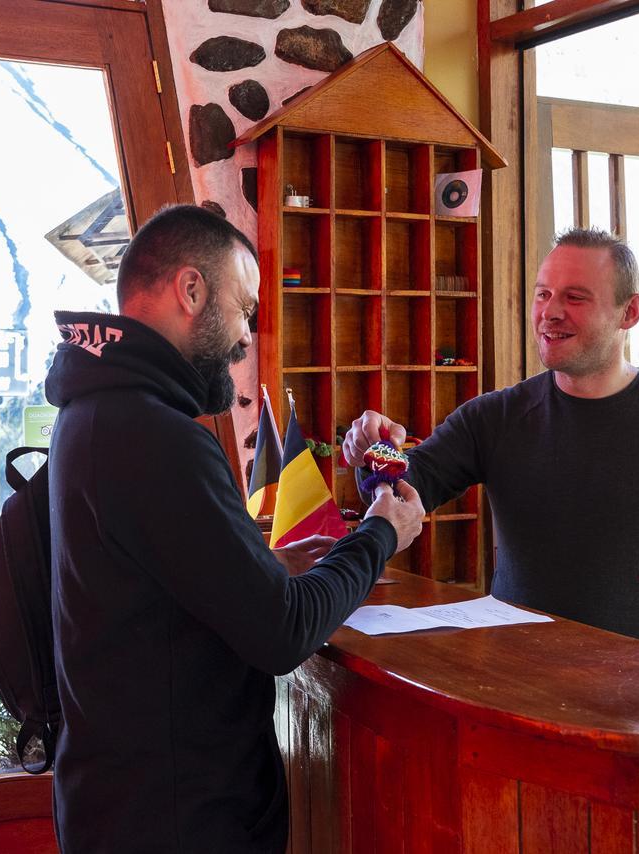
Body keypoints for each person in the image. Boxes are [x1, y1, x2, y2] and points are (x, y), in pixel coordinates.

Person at [45, 204, 424, 853]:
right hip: (177, 820)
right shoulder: (156, 438)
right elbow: (281, 633)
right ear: (191, 290)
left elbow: (165, 590)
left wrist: (271, 563)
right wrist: (381, 532)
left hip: (125, 801)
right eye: (243, 307)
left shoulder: (94, 413)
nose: (247, 336)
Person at [343, 227, 639, 658]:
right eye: (543, 294)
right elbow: (408, 489)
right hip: (515, 683)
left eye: (575, 297)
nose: (550, 312)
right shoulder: (495, 417)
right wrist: (376, 451)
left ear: (630, 312)